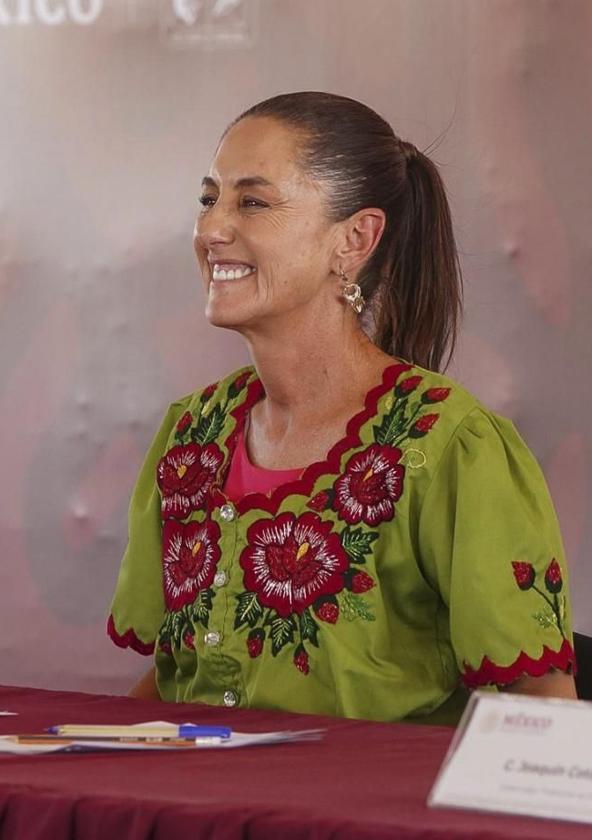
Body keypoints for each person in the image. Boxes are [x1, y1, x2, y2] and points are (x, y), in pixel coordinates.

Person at [108, 92, 577, 723]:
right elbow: (172, 681)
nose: (210, 229)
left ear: (355, 238)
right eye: (208, 198)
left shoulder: (447, 443)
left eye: (251, 201)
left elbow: (541, 703)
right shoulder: (193, 433)